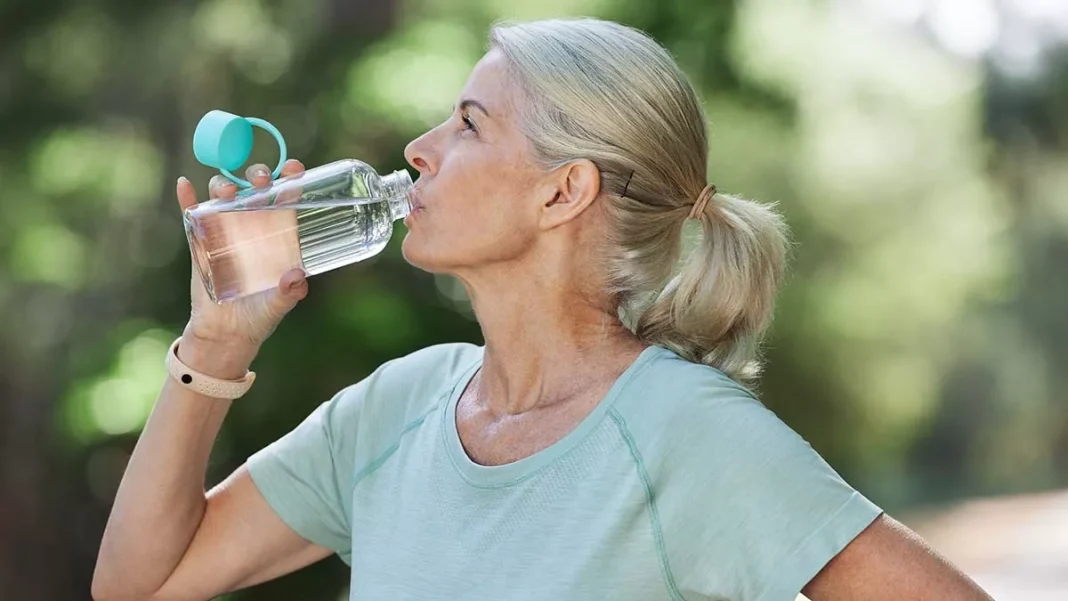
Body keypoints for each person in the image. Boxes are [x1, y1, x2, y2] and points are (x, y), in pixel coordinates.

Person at [92, 18, 994, 601]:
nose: (419, 147)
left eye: (471, 124)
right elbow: (139, 582)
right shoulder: (398, 408)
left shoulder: (684, 433)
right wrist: (213, 344)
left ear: (563, 192)